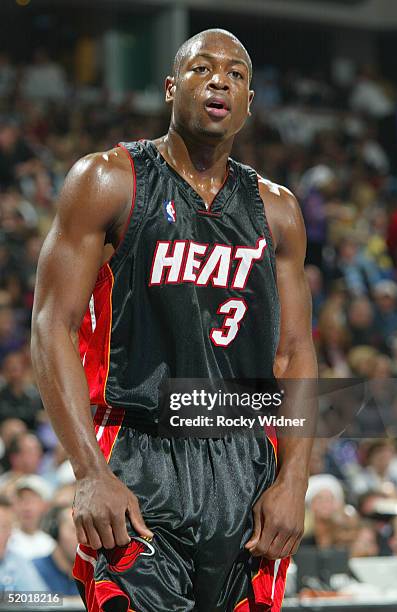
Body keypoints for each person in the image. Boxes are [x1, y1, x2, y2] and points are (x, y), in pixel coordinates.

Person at [31, 29, 317, 612]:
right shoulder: (107, 179)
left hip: (245, 461)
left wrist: (293, 482)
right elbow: (50, 325)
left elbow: (293, 353)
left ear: (250, 100)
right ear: (170, 87)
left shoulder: (279, 209)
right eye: (202, 69)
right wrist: (88, 472)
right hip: (139, 451)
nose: (219, 81)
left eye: (236, 74)